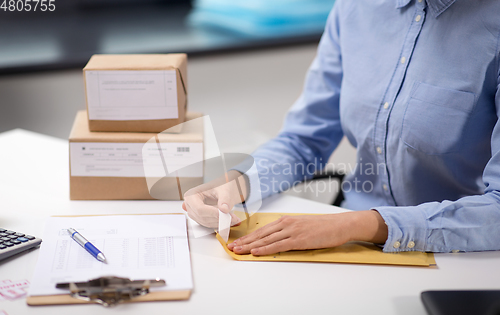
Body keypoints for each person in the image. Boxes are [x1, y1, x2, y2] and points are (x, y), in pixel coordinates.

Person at [183, 0, 500, 256]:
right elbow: (303, 140)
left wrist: (357, 225)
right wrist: (237, 184)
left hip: (462, 254)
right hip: (351, 243)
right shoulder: (355, 8)